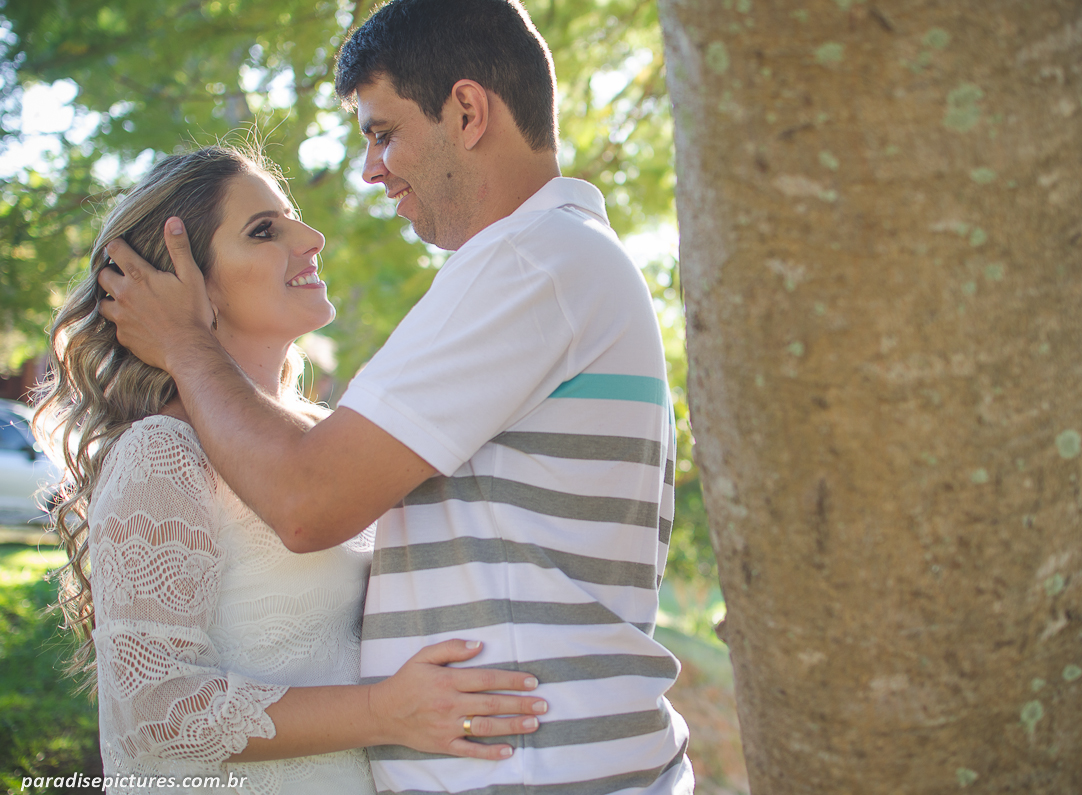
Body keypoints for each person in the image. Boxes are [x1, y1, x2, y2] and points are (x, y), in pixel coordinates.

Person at [98, 0, 694, 792]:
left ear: (468, 111)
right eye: (264, 230)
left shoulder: (528, 265)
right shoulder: (546, 262)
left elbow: (308, 500)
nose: (371, 170)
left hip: (538, 770)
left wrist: (183, 344)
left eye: (383, 133)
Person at [34, 145, 546, 795]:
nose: (311, 239)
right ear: (187, 285)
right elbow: (153, 711)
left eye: (292, 219)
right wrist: (385, 711)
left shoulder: (327, 439)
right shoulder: (162, 452)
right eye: (263, 231)